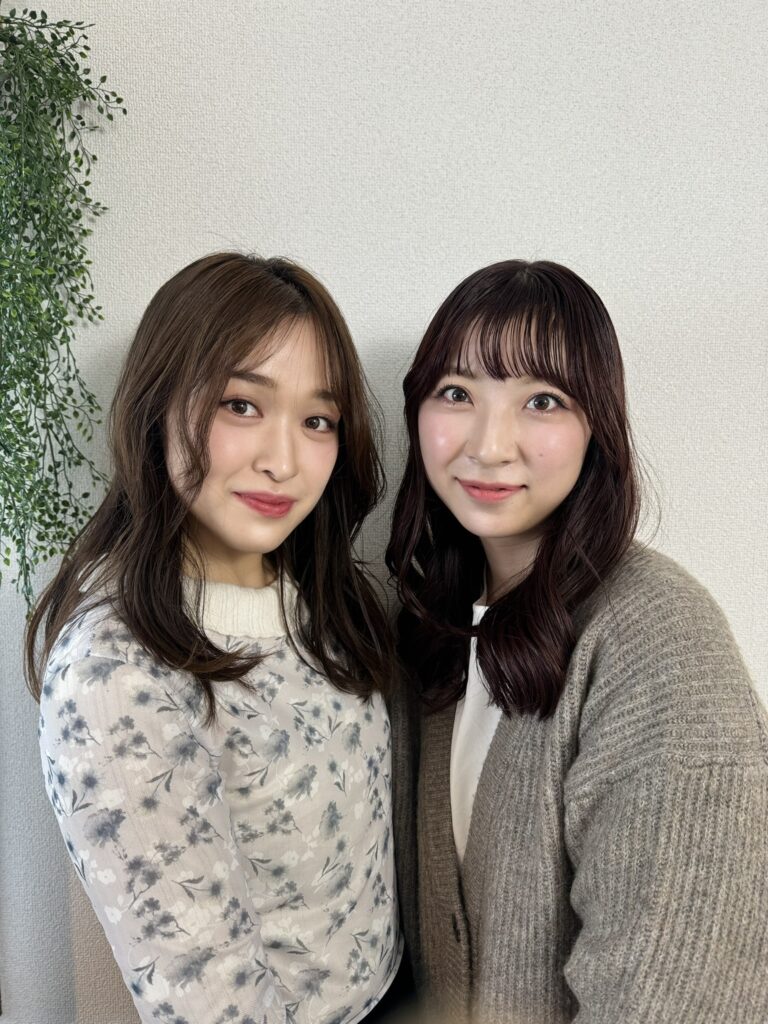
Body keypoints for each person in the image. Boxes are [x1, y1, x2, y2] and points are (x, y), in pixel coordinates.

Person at [386, 259, 768, 1024]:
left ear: (597, 426)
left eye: (542, 401)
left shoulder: (660, 643)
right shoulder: (434, 623)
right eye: (457, 393)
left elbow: (675, 1001)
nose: (490, 445)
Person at [27, 253, 405, 1024]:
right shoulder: (114, 674)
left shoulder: (318, 597)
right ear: (158, 404)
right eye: (241, 405)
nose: (284, 460)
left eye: (318, 420)